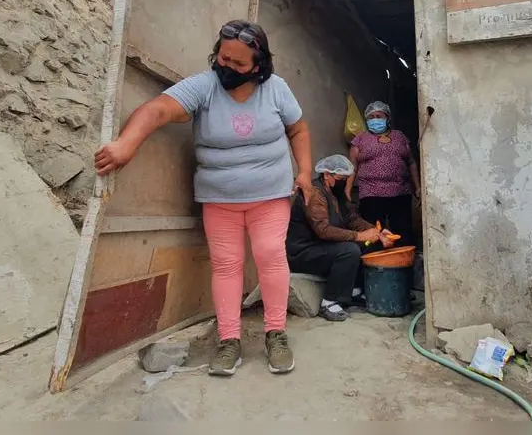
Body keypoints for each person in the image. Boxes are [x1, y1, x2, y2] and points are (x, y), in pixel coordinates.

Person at [94, 19, 313, 377]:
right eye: (223, 58)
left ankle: (276, 333)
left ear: (258, 66)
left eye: (237, 63)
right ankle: (229, 340)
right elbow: (157, 110)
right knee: (226, 264)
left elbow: (298, 128)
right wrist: (126, 145)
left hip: (270, 194)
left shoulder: (276, 89)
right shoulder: (204, 86)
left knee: (270, 255)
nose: (226, 67)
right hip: (219, 199)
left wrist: (304, 172)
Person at [286, 155, 397, 321]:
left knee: (369, 244)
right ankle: (329, 302)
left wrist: (376, 233)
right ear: (326, 175)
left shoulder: (337, 193)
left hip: (323, 247)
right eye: (340, 178)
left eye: (346, 179)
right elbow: (323, 230)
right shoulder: (314, 193)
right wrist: (360, 236)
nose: (343, 182)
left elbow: (352, 219)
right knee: (349, 250)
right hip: (303, 252)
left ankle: (354, 291)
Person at [346, 101, 421, 249]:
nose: (375, 119)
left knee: (402, 234)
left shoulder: (399, 137)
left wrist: (417, 187)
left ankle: (404, 265)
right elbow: (352, 167)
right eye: (371, 117)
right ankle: (375, 268)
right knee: (373, 234)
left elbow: (411, 162)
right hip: (371, 193)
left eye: (378, 116)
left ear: (387, 118)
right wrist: (347, 192)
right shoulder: (360, 139)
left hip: (400, 192)